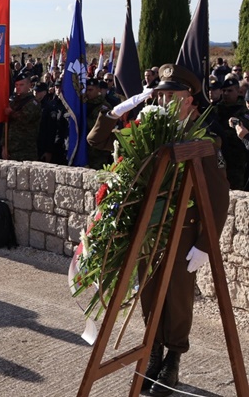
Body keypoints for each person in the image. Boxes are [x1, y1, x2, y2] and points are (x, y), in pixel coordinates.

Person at [88, 64, 229, 396]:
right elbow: (98, 142)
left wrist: (206, 244)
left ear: (190, 99)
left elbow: (218, 197)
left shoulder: (204, 139)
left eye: (172, 95)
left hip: (183, 232)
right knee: (150, 294)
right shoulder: (147, 130)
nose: (164, 101)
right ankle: (152, 352)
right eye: (161, 94)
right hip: (148, 231)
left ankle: (173, 359)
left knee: (178, 300)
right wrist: (116, 112)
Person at [3, 72, 41, 161]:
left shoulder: (33, 103)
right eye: (16, 85)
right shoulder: (13, 103)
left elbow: (26, 118)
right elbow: (6, 125)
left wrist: (11, 112)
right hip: (11, 149)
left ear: (29, 85)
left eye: (21, 85)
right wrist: (4, 146)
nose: (18, 87)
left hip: (26, 150)